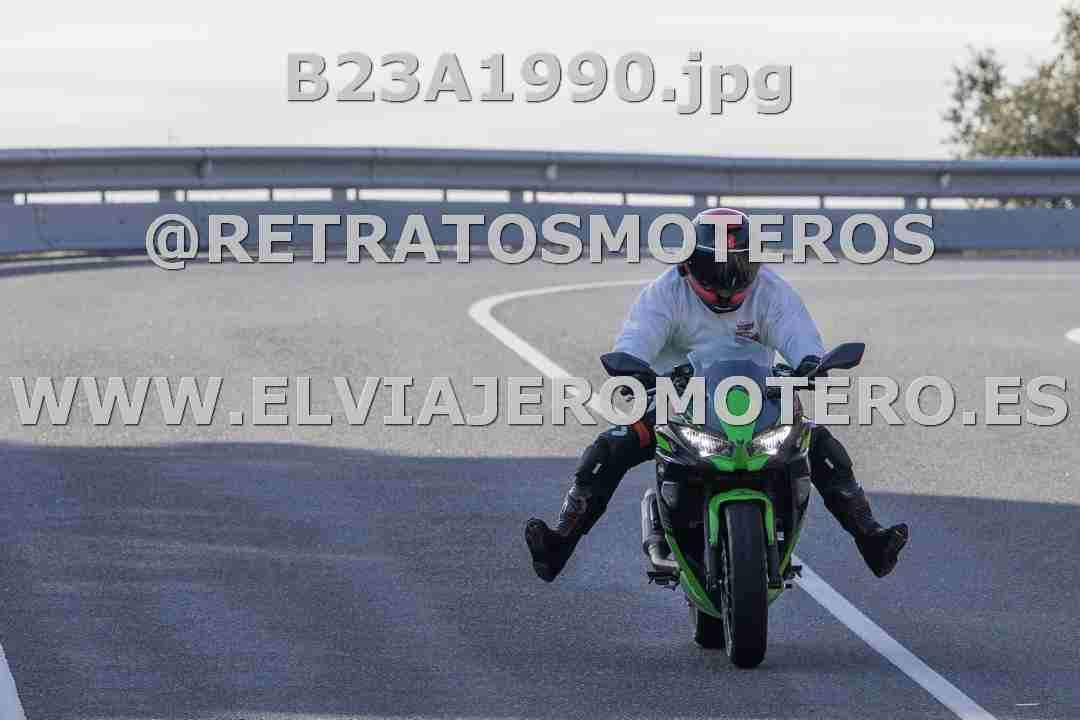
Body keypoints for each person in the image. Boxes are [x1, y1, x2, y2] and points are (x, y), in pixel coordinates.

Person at [525, 207, 909, 582]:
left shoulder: (772, 291)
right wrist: (633, 367)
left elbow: (799, 335)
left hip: (760, 398)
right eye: (715, 270)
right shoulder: (664, 294)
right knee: (608, 449)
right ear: (687, 265)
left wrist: (811, 363)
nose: (728, 284)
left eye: (740, 269)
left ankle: (872, 539)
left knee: (821, 445)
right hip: (678, 400)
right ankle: (559, 542)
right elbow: (637, 338)